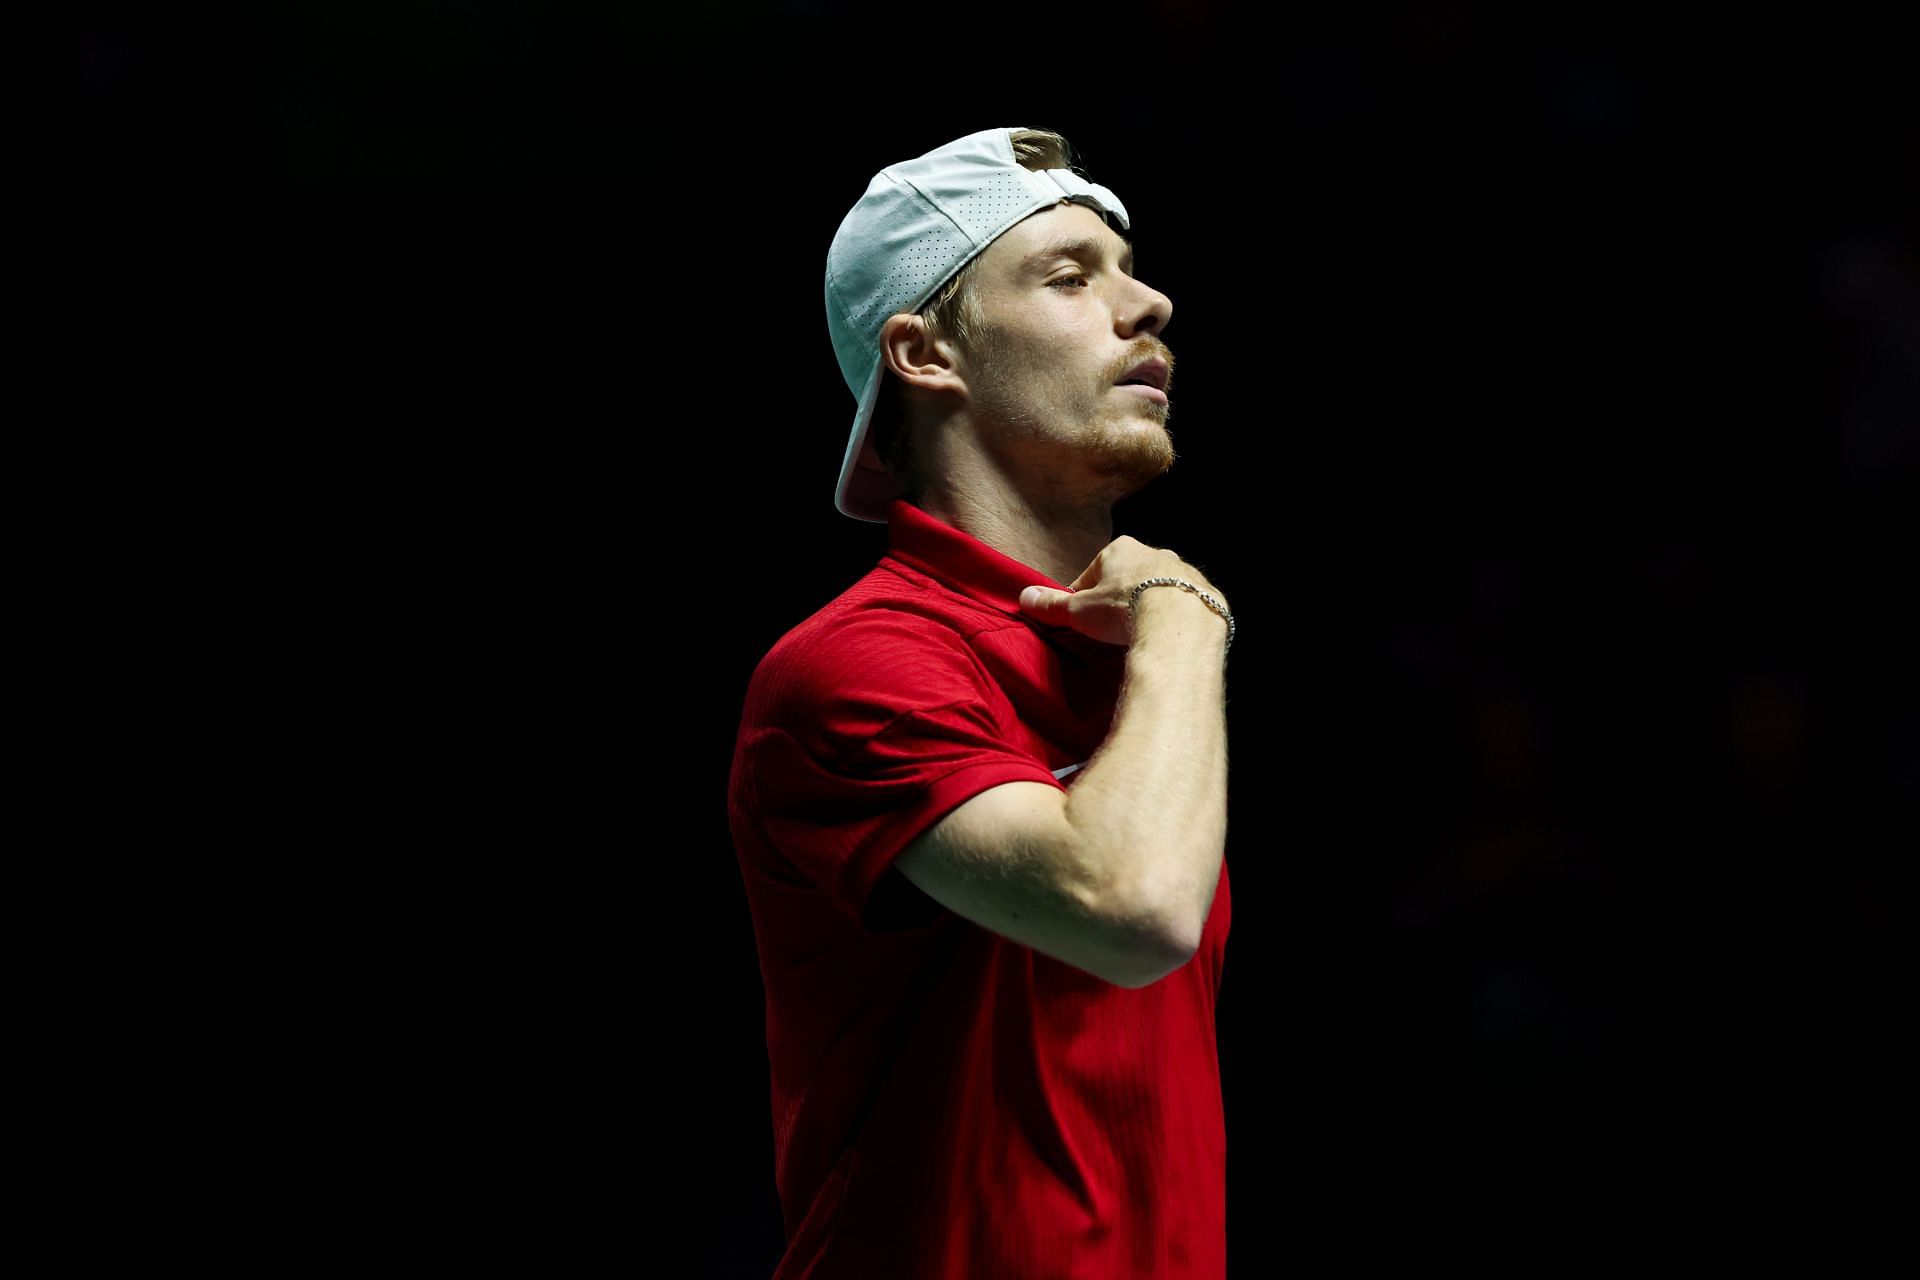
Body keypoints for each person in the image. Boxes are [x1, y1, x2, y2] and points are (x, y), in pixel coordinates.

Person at [726, 125, 1234, 1279]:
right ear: (924, 352)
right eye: (1069, 276)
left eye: (1129, 264)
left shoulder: (1131, 666)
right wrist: (1187, 616)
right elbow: (1131, 904)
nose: (1147, 302)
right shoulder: (858, 663)